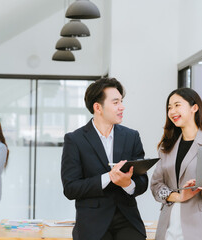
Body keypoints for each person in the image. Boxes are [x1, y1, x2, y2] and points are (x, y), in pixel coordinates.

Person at [61, 77, 148, 240]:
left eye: (121, 101)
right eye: (115, 102)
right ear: (97, 107)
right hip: (92, 223)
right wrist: (108, 177)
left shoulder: (131, 136)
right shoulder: (75, 140)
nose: (122, 107)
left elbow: (142, 182)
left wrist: (128, 184)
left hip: (127, 220)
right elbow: (70, 188)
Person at [150, 88, 202, 240]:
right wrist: (179, 197)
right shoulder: (167, 146)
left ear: (194, 107)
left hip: (200, 227)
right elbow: (156, 186)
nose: (172, 111)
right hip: (169, 227)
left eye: (177, 105)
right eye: (169, 108)